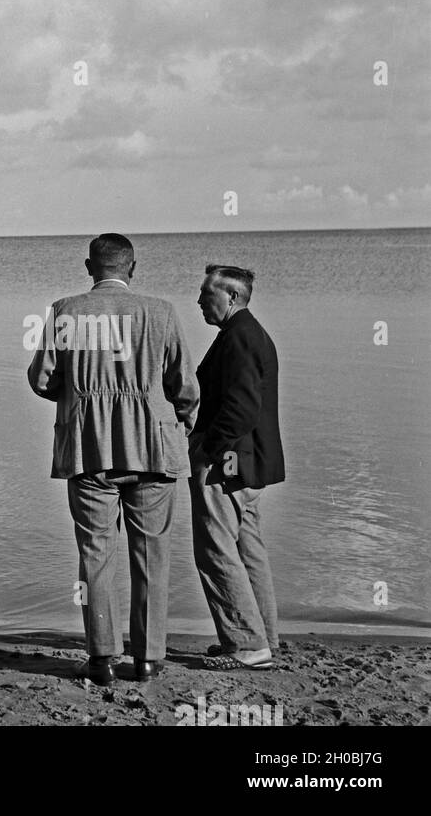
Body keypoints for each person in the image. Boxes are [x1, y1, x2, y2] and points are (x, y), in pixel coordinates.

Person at [26, 233, 199, 686]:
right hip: (153, 447)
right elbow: (184, 384)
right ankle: (148, 659)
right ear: (133, 268)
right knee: (152, 556)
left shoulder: (66, 310)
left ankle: (102, 657)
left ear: (90, 267)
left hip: (88, 447)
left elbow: (42, 379)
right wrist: (184, 418)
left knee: (95, 556)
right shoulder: (160, 312)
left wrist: (79, 396)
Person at [190, 264, 286, 671]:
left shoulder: (240, 338)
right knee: (248, 550)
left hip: (229, 462)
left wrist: (204, 450)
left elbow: (241, 410)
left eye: (205, 294)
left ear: (231, 297)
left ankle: (248, 645)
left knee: (215, 550)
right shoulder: (244, 333)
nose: (198, 301)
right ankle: (264, 637)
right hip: (249, 463)